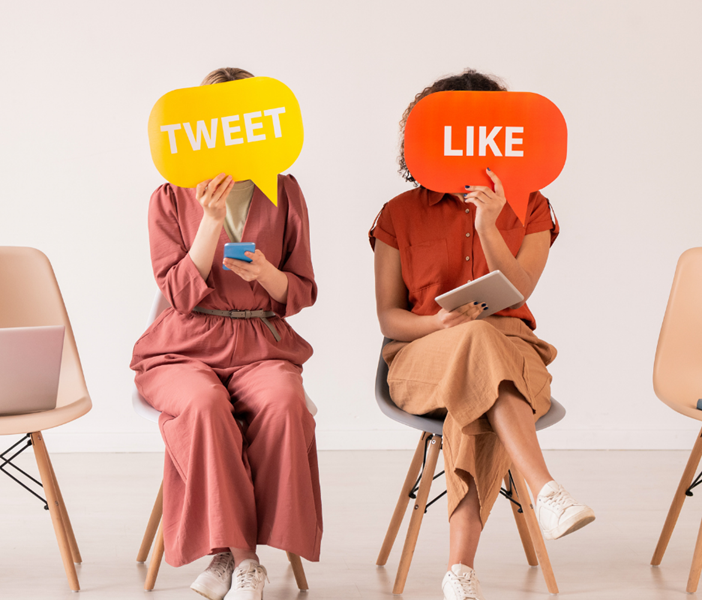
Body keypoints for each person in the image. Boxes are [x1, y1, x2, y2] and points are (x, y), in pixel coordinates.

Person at [370, 69, 593, 600]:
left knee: (480, 376)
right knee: (474, 344)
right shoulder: (398, 214)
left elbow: (519, 290)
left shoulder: (532, 205)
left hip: (514, 354)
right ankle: (545, 492)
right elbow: (388, 318)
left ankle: (460, 575)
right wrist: (438, 324)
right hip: (422, 357)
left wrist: (491, 224)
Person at [130, 68, 322, 600]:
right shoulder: (168, 197)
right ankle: (243, 559)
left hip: (262, 344)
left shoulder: (285, 190)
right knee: (203, 405)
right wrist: (210, 221)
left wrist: (266, 274)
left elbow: (302, 289)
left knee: (284, 403)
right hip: (182, 348)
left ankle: (223, 558)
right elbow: (178, 291)